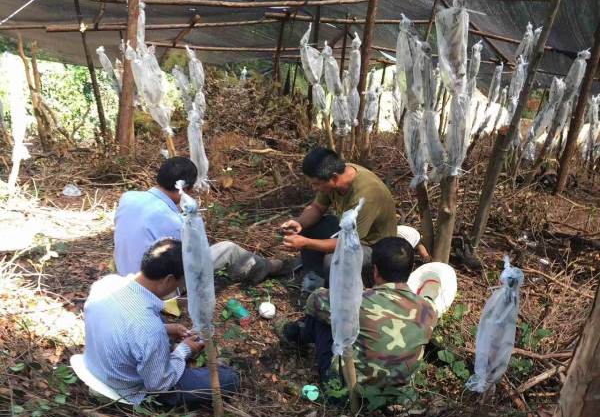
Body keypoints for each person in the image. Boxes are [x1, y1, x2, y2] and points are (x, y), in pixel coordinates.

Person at [84, 238, 240, 407]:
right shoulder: (149, 328)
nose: (179, 288)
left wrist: (165, 328)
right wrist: (183, 351)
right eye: (180, 283)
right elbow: (158, 385)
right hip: (128, 386)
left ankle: (163, 355)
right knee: (230, 379)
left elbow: (122, 325)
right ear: (168, 280)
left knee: (155, 331)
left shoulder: (106, 284)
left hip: (97, 364)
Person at [281, 236, 439, 398]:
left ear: (375, 270)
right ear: (410, 270)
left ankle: (294, 335)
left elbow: (315, 299)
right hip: (398, 396)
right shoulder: (429, 310)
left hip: (347, 392)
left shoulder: (358, 301)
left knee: (324, 317)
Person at [114, 156, 284, 283]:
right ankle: (264, 268)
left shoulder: (128, 197)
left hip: (124, 276)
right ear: (186, 189)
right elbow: (192, 258)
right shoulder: (173, 221)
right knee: (228, 249)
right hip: (155, 286)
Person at [280, 147, 397, 286]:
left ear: (334, 177)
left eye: (316, 184)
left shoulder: (365, 196)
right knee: (307, 227)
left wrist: (306, 242)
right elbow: (317, 207)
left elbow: (346, 243)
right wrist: (299, 223)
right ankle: (315, 276)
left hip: (373, 246)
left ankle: (333, 292)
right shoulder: (334, 176)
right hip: (350, 232)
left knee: (334, 261)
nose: (314, 188)